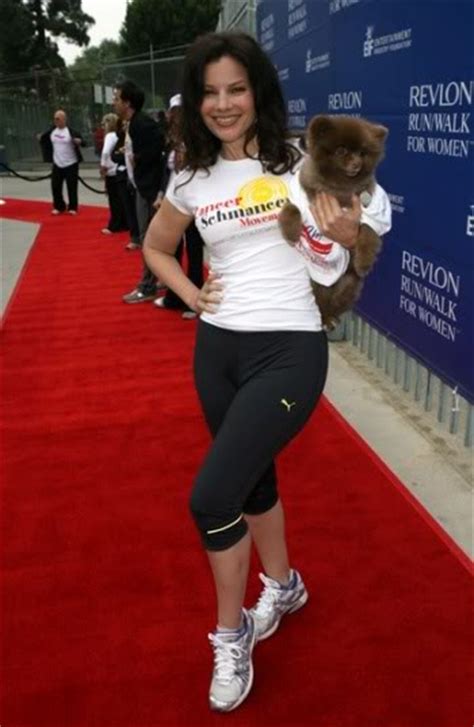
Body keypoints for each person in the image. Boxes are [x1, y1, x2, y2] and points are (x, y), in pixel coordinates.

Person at [143, 32, 392, 712]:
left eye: (237, 88)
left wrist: (347, 235)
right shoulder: (190, 174)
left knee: (211, 496)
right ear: (196, 101)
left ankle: (231, 633)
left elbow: (367, 225)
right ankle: (282, 585)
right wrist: (191, 295)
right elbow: (157, 245)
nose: (223, 104)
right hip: (217, 350)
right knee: (254, 478)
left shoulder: (302, 161)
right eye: (210, 92)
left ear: (258, 90)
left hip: (290, 348)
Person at [112, 80, 166, 301]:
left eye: (117, 99)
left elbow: (159, 148)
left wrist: (138, 158)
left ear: (128, 103)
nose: (113, 103)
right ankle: (158, 277)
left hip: (149, 191)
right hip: (143, 188)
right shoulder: (133, 123)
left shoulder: (142, 124)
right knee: (152, 238)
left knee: (149, 239)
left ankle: (147, 286)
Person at [153, 94, 204, 319]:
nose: (176, 117)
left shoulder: (199, 139)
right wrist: (162, 194)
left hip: (193, 201)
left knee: (194, 249)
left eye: (180, 112)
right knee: (172, 249)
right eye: (174, 112)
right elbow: (170, 171)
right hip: (174, 202)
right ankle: (174, 295)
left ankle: (195, 298)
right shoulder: (173, 139)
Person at [37, 109, 84, 215]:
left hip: (71, 163)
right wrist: (40, 138)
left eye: (58, 119)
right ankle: (59, 206)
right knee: (55, 186)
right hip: (57, 163)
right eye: (54, 119)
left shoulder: (70, 131)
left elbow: (82, 141)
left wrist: (79, 141)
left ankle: (73, 207)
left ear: (64, 119)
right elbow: (44, 139)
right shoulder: (52, 131)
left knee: (71, 186)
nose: (55, 121)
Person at [99, 113, 129, 235]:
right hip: (120, 168)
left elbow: (106, 152)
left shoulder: (110, 136)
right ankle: (124, 223)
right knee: (122, 199)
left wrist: (103, 166)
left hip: (111, 170)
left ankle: (114, 225)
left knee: (114, 199)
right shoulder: (120, 136)